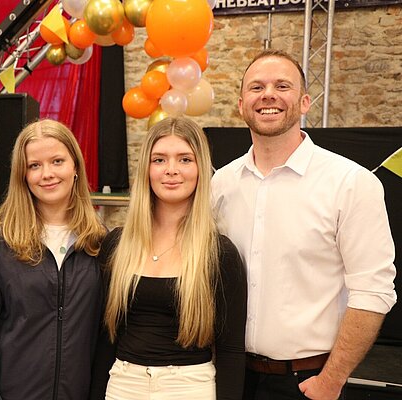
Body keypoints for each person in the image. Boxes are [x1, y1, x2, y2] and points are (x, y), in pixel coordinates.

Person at [211, 49, 397, 400]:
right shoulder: (221, 184)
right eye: (256, 87)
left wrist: (332, 379)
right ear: (240, 104)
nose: (268, 95)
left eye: (282, 85)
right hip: (231, 376)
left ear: (305, 102)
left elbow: (373, 292)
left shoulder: (351, 183)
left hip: (308, 382)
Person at [90, 117, 247, 400]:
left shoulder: (220, 253)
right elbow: (105, 340)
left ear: (200, 169)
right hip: (123, 385)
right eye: (159, 160)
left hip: (190, 387)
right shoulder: (116, 244)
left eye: (185, 159)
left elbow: (231, 352)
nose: (171, 170)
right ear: (147, 170)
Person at [0, 119, 107, 400]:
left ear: (75, 166)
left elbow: (105, 337)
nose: (47, 174)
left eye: (57, 161)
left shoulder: (99, 242)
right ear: (22, 175)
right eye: (34, 165)